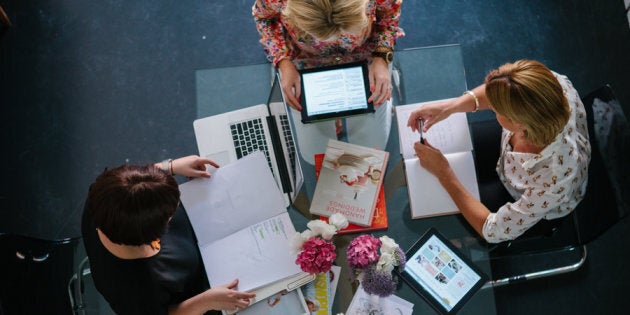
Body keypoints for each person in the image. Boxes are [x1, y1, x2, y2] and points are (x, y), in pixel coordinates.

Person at [407, 60, 591, 243]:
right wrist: (450, 107)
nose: (491, 106)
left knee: (424, 216)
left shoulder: (554, 180)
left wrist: (444, 172)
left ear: (518, 122)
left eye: (496, 108)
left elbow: (493, 231)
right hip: (508, 157)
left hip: (524, 196)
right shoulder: (549, 84)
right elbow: (497, 92)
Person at [81, 155, 256, 314]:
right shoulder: (136, 290)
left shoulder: (101, 198)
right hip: (209, 292)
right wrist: (206, 301)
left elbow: (131, 185)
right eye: (170, 214)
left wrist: (170, 167)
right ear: (152, 236)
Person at [253, 0, 404, 149]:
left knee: (372, 145)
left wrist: (382, 57)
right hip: (306, 59)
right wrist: (284, 62)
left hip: (366, 55)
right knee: (313, 150)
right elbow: (264, 18)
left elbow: (389, 15)